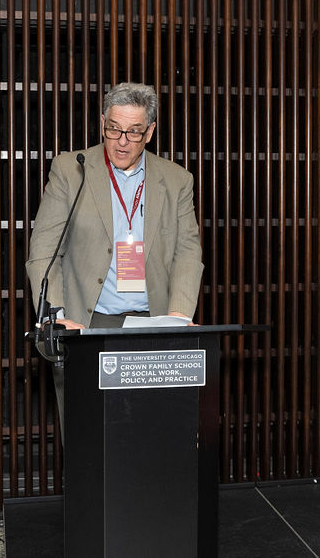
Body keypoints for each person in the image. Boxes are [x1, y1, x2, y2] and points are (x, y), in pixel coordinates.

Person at [26, 82, 204, 420]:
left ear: (150, 132)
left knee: (150, 430)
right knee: (87, 431)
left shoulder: (177, 179)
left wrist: (179, 317)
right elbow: (45, 252)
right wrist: (58, 316)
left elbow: (187, 251)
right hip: (87, 322)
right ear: (102, 123)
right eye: (114, 129)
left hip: (153, 323)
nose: (122, 141)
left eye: (134, 132)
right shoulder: (70, 169)